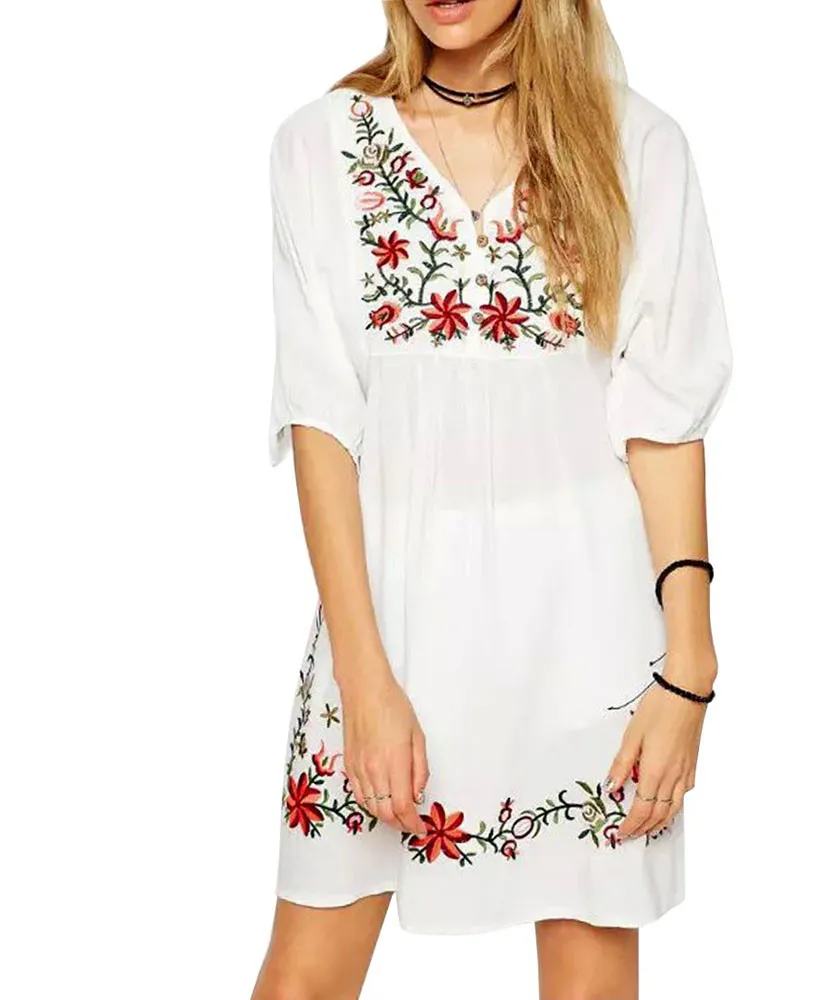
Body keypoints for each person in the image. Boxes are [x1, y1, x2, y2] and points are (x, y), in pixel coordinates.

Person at [253, 1, 732, 997]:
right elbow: (320, 424)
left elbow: (663, 421)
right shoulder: (320, 148)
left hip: (587, 648)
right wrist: (364, 679)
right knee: (304, 981)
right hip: (388, 638)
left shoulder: (636, 146)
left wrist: (688, 666)